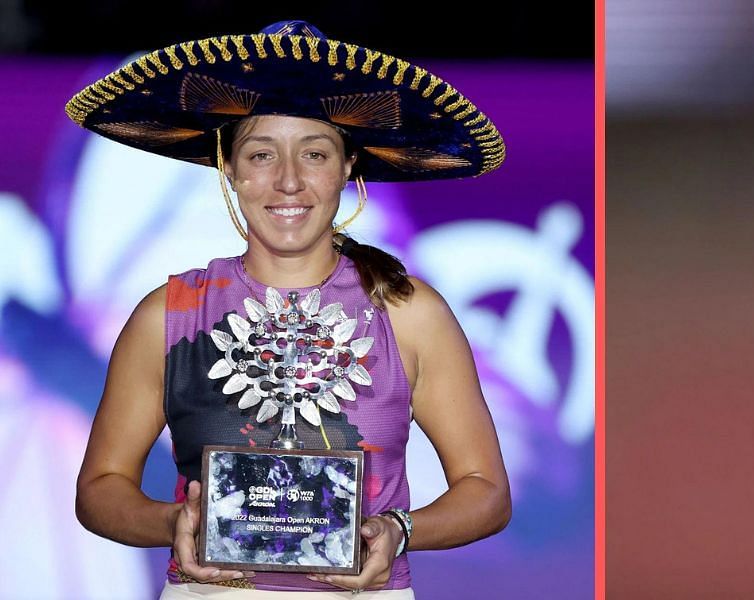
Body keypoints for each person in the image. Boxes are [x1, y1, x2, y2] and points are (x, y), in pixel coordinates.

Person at [70, 21, 510, 598]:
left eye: (315, 154)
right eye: (261, 154)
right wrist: (171, 523)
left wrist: (397, 531)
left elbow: (487, 492)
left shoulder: (407, 311)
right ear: (227, 165)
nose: (288, 181)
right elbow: (100, 489)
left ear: (348, 165)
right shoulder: (169, 314)